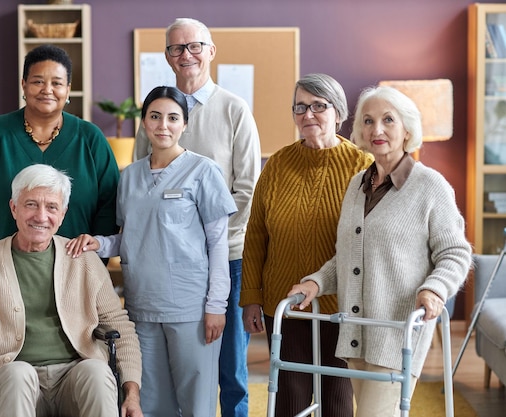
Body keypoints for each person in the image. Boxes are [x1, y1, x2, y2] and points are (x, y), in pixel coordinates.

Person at [288, 85, 472, 417]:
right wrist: (315, 282)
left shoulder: (430, 187)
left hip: (397, 337)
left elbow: (456, 252)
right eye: (369, 121)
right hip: (357, 334)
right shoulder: (356, 186)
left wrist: (434, 288)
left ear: (407, 130)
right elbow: (347, 256)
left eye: (388, 120)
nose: (377, 129)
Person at [67, 86, 237, 416]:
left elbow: (219, 245)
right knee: (151, 399)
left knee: (196, 398)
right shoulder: (128, 177)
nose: (163, 125)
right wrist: (98, 243)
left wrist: (217, 304)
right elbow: (130, 237)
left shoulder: (203, 172)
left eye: (173, 118)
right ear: (143, 122)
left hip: (191, 307)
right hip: (142, 305)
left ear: (185, 124)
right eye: (155, 116)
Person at [0, 164, 143, 417]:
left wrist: (132, 393)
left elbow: (120, 327)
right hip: (13, 376)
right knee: (17, 374)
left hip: (74, 375)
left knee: (97, 373)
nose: (41, 216)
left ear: (63, 214)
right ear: (14, 208)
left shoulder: (84, 261)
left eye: (52, 207)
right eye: (31, 204)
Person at [133, 18, 261, 417]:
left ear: (210, 51)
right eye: (175, 48)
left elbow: (248, 188)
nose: (185, 55)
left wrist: (206, 239)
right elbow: (142, 184)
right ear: (167, 57)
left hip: (228, 256)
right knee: (181, 370)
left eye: (194, 46)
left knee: (230, 369)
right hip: (169, 266)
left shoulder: (234, 109)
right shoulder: (155, 114)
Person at [239, 73, 373, 417]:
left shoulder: (363, 166)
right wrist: (251, 296)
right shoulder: (279, 163)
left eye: (318, 106)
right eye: (300, 107)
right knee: (289, 397)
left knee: (337, 398)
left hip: (341, 304)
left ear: (338, 113)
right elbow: (255, 234)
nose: (308, 114)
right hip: (283, 301)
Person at [0, 44, 119, 262]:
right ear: (24, 85)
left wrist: (94, 266)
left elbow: (109, 207)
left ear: (68, 89)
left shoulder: (90, 139)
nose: (47, 90)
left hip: (75, 271)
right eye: (38, 81)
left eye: (57, 83)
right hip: (1, 271)